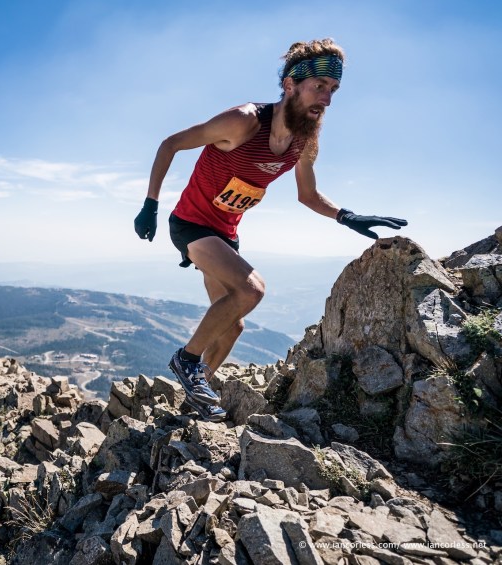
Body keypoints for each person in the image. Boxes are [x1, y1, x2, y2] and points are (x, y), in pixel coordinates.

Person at [133, 38, 406, 422]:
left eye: (333, 90)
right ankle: (187, 360)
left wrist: (346, 216)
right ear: (291, 84)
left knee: (232, 327)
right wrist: (150, 205)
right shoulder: (243, 122)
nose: (327, 99)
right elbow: (171, 144)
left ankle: (196, 393)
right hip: (191, 224)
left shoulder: (305, 140)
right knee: (251, 289)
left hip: (226, 234)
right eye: (319, 86)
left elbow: (308, 195)